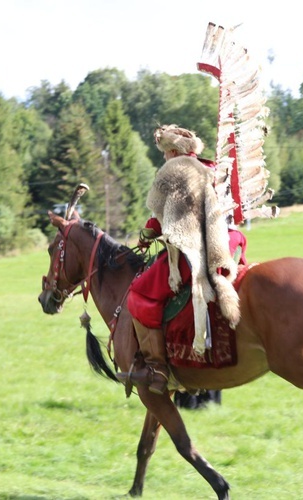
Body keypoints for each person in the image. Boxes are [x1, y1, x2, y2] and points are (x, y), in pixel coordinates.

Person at [116, 125, 244, 395]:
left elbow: (158, 216)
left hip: (192, 247)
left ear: (173, 151)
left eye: (165, 153)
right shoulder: (212, 167)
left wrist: (145, 236)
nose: (164, 158)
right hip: (227, 241)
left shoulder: (173, 171)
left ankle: (159, 368)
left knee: (139, 293)